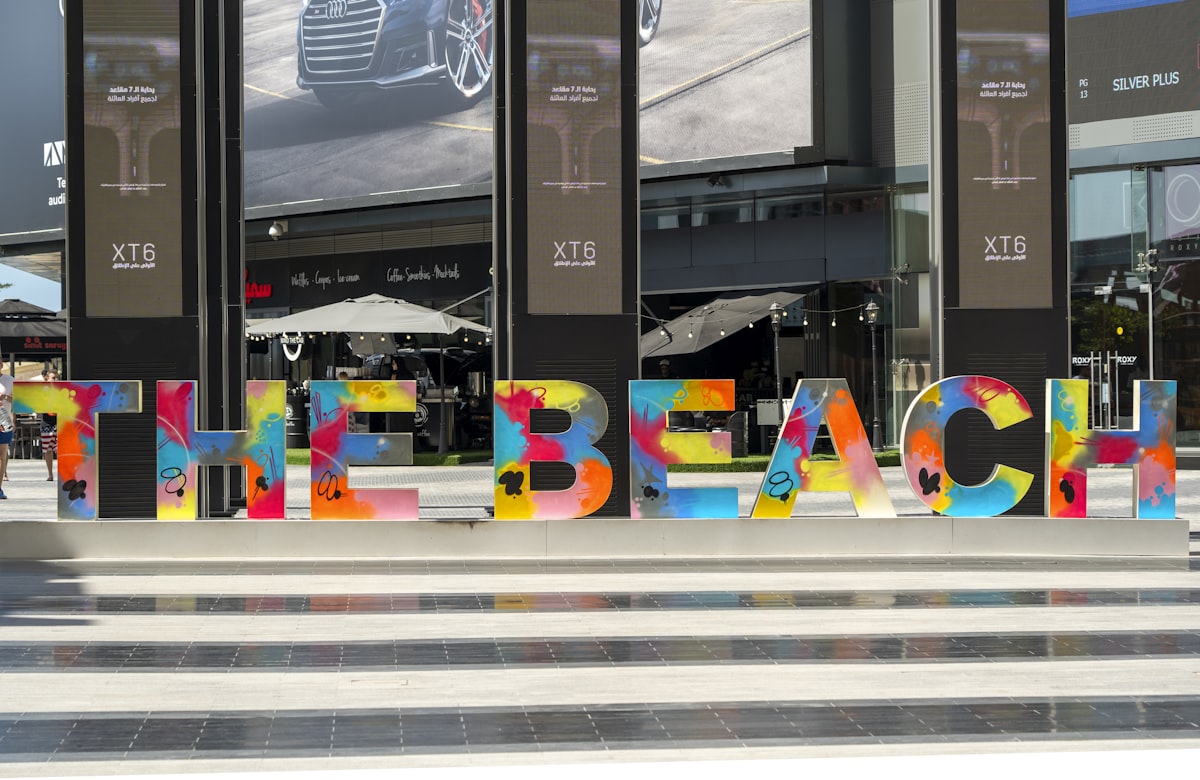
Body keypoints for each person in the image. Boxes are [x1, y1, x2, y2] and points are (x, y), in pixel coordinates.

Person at [41, 368, 59, 481]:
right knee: (47, 450)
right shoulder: (42, 390)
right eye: (53, 377)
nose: (55, 380)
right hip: (46, 422)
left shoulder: (61, 390)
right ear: (47, 378)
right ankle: (50, 474)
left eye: (56, 377)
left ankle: (62, 474)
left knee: (60, 449)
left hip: (59, 421)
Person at [0, 358, 12, 498]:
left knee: (2, 456)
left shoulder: (10, 380)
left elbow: (19, 399)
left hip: (4, 422)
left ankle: (0, 488)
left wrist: (6, 397)